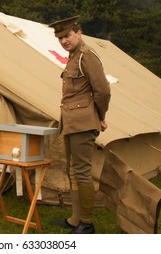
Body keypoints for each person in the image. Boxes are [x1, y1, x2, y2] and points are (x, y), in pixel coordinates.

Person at [48, 16, 111, 234]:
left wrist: (100, 116)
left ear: (78, 33)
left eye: (66, 35)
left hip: (83, 124)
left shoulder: (87, 56)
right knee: (73, 170)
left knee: (81, 172)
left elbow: (103, 91)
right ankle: (76, 220)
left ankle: (87, 223)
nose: (63, 41)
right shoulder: (73, 57)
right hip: (72, 123)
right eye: (60, 38)